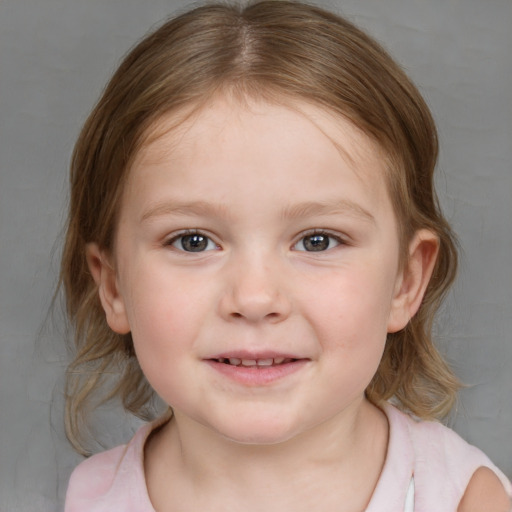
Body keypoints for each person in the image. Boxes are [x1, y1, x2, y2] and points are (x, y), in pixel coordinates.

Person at [61, 1, 511, 511]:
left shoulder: (464, 500)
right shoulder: (91, 498)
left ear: (405, 282)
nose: (254, 298)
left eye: (317, 241)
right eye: (193, 240)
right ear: (114, 285)